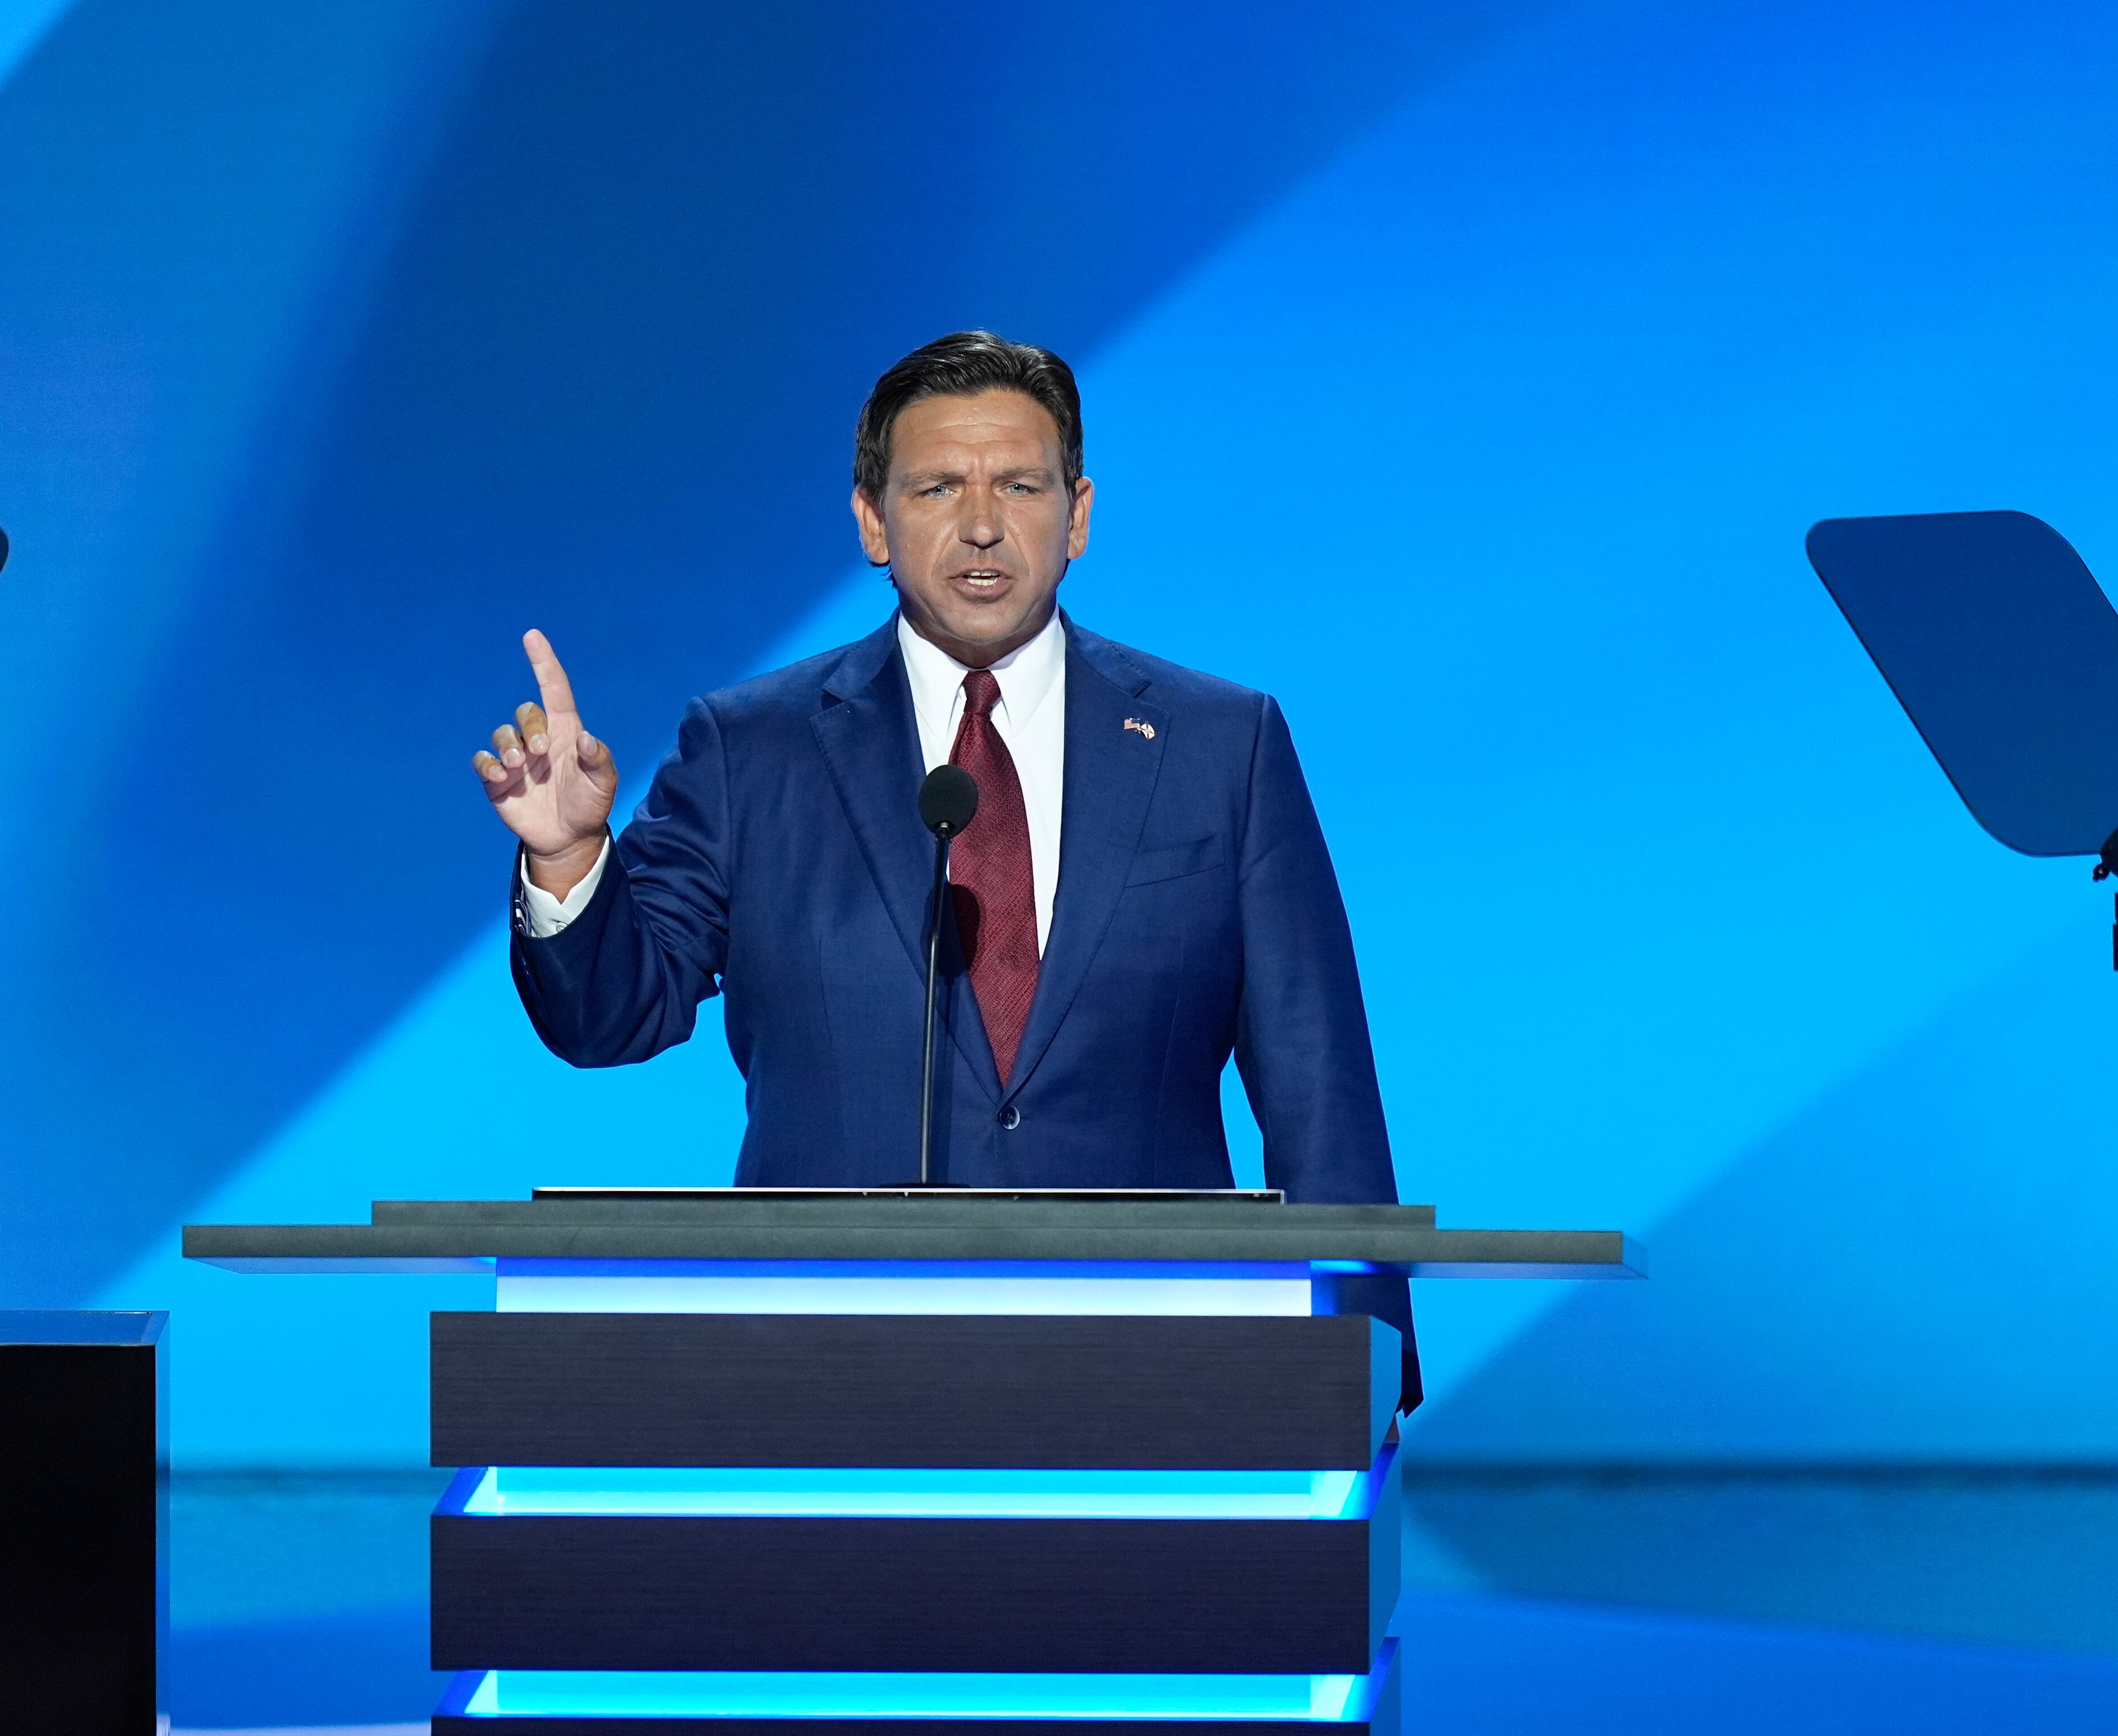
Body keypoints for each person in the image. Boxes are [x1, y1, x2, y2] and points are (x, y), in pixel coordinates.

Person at [470, 330, 1412, 1387]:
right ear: (874, 520)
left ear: (1079, 518)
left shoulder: (1219, 745)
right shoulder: (753, 749)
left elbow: (1316, 1082)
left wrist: (1359, 1367)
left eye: (1019, 485)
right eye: (934, 489)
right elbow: (613, 1017)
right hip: (825, 1368)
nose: (980, 527)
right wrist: (571, 858)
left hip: (1155, 1362)